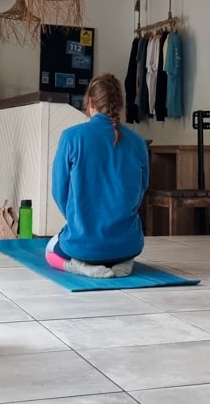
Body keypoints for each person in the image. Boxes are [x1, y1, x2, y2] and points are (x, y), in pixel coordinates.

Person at [46, 72, 149, 278]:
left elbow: (59, 191)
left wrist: (80, 220)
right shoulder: (138, 142)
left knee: (50, 252)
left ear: (90, 102)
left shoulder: (71, 136)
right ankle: (123, 263)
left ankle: (80, 266)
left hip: (84, 246)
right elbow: (141, 190)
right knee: (120, 247)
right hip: (128, 244)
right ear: (119, 104)